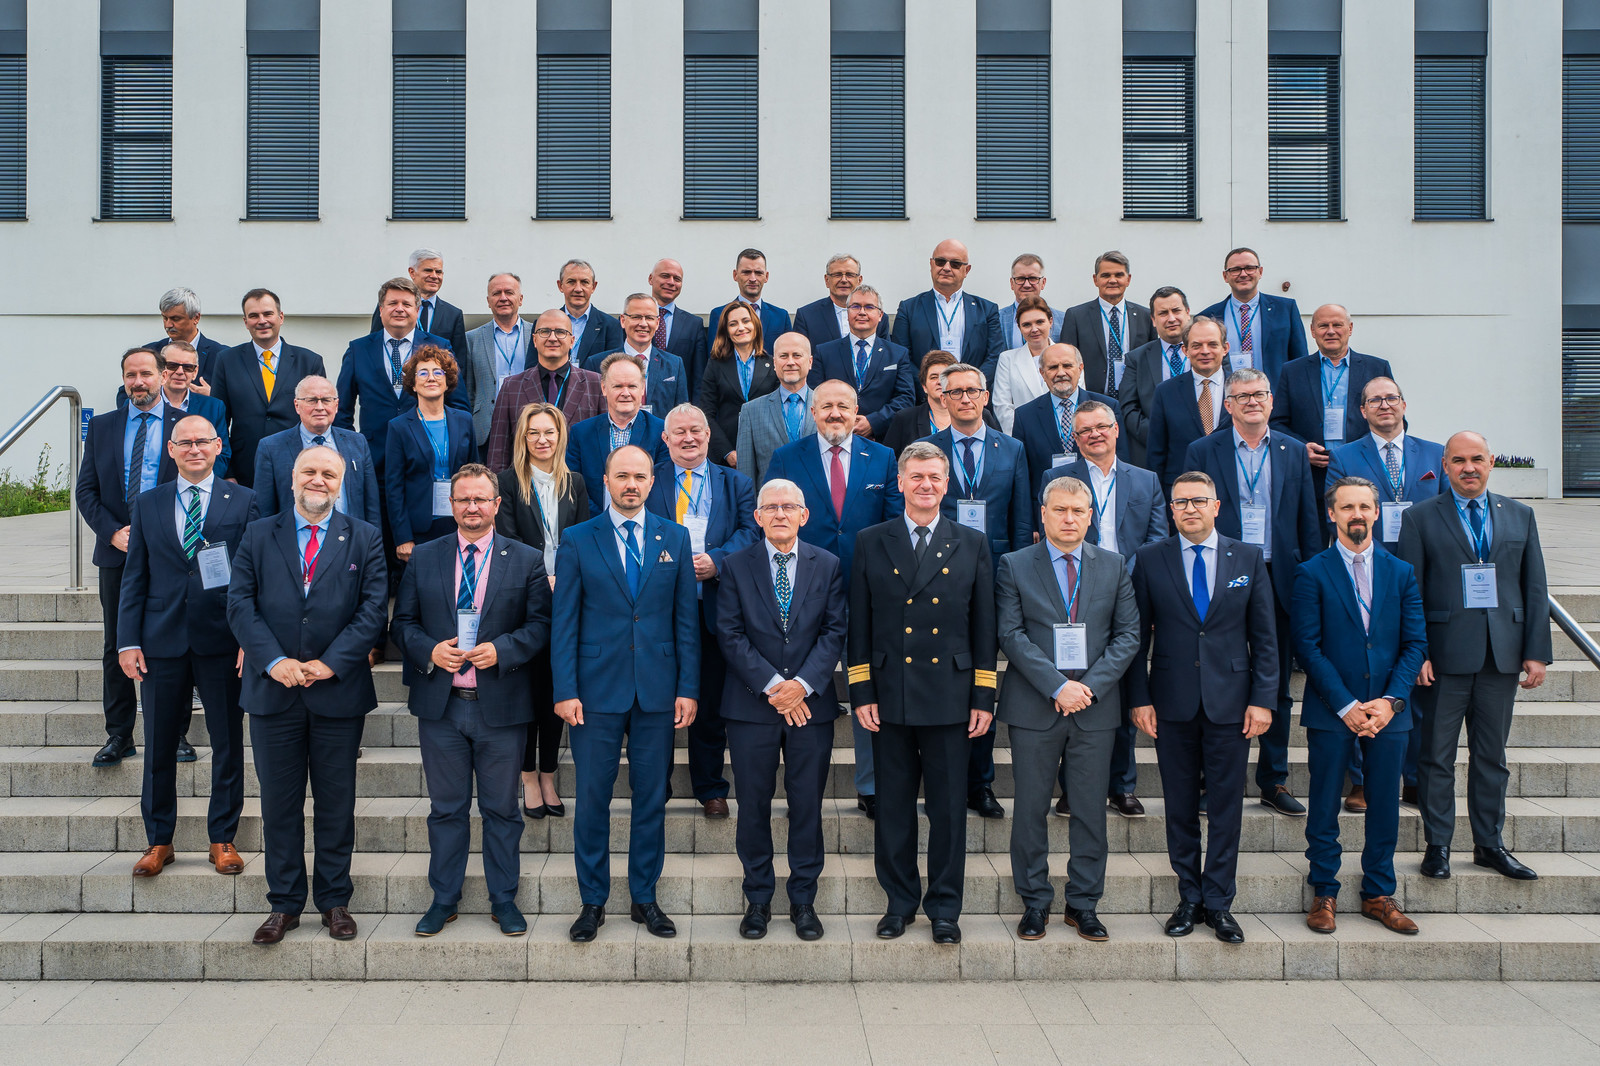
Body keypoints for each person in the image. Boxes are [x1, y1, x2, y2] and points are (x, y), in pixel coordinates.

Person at [227, 444, 388, 946]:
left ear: (341, 483)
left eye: (329, 474)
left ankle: (335, 901)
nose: (318, 480)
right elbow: (240, 604)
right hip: (273, 692)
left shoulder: (364, 537)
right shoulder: (258, 533)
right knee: (279, 805)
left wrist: (331, 662)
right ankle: (284, 904)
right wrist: (274, 661)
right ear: (292, 478)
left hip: (337, 693)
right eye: (309, 472)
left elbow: (372, 609)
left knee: (336, 804)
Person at [391, 463, 551, 938]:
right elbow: (402, 623)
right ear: (451, 504)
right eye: (463, 499)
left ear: (497, 504)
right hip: (441, 706)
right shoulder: (425, 557)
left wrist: (503, 650)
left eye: (481, 499)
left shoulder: (525, 559)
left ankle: (504, 899)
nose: (472, 507)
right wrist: (429, 651)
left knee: (502, 809)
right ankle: (444, 899)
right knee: (446, 809)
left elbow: (541, 626)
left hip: (500, 705)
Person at [848, 442, 997, 945]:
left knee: (949, 811)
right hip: (890, 695)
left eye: (934, 477)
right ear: (900, 482)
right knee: (893, 807)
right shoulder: (872, 540)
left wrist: (983, 697)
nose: (926, 485)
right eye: (916, 476)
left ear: (946, 483)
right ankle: (899, 903)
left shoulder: (972, 543)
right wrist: (862, 690)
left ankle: (945, 908)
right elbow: (859, 625)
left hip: (951, 696)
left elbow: (984, 629)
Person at [552, 445, 700, 943]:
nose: (631, 484)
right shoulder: (577, 539)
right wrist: (565, 689)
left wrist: (688, 687)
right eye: (622, 476)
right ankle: (592, 901)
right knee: (592, 799)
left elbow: (686, 621)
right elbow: (564, 622)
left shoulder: (674, 537)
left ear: (652, 482)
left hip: (658, 691)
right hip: (594, 692)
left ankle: (644, 897)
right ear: (606, 480)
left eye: (640, 476)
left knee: (651, 798)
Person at [1127, 471, 1278, 945]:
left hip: (1231, 703)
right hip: (1171, 702)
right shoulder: (1150, 559)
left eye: (1198, 500)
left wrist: (1263, 700)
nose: (1189, 508)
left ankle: (1219, 902)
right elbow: (1135, 638)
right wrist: (1139, 698)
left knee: (1227, 806)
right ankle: (1189, 897)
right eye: (1180, 502)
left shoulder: (1247, 557)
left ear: (1216, 506)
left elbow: (1266, 638)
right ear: (1170, 510)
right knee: (1179, 805)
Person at [1398, 431, 1551, 882]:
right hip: (1444, 658)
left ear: (1491, 462)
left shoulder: (1520, 515)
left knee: (1491, 757)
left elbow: (1535, 587)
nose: (1469, 468)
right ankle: (1438, 846)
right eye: (1459, 460)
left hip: (1501, 656)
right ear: (1445, 466)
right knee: (1436, 757)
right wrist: (1418, 652)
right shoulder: (1420, 517)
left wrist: (1536, 653)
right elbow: (1411, 592)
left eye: (1477, 459)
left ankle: (1489, 844)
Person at [997, 475, 1140, 942]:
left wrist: (1088, 689)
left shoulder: (1114, 565)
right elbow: (1011, 634)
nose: (1069, 518)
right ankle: (1034, 902)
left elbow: (1128, 636)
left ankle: (1083, 904)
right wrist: (1058, 686)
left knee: (1090, 811)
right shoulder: (1014, 564)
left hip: (1094, 711)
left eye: (1078, 511)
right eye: (1060, 510)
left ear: (1091, 516)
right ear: (1043, 514)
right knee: (1030, 809)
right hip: (1035, 707)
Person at [116, 415, 258, 877]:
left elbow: (255, 576)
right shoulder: (149, 503)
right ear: (172, 450)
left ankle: (223, 838)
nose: (195, 448)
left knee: (227, 742)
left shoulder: (245, 501)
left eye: (203, 441)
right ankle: (159, 840)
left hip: (223, 640)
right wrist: (127, 641)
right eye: (185, 442)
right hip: (161, 642)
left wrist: (251, 639)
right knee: (158, 745)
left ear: (218, 447)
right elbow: (134, 576)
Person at [1183, 367, 1320, 817]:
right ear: (1228, 405)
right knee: (1217, 684)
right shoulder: (1204, 450)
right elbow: (1192, 517)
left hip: (1280, 579)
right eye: (1242, 396)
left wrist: (1310, 581)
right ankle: (1214, 780)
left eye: (1259, 394)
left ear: (1271, 401)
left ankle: (1273, 780)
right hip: (1222, 577)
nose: (1252, 402)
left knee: (1274, 683)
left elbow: (1307, 520)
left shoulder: (1293, 450)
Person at [1294, 476, 1427, 936]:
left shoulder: (1401, 571)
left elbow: (1415, 643)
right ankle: (1324, 890)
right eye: (1347, 507)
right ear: (1331, 514)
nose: (1357, 515)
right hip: (1332, 709)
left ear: (1376, 512)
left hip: (1388, 713)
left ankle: (1378, 893)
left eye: (1364, 507)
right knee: (1324, 803)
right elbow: (1307, 647)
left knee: (1385, 804)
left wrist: (1390, 702)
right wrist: (1346, 704)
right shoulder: (1311, 572)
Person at [715, 478, 847, 941]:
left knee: (806, 804)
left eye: (789, 507)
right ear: (757, 517)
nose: (780, 514)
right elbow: (729, 633)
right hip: (752, 707)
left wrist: (802, 686)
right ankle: (757, 899)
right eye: (770, 507)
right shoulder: (735, 565)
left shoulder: (827, 564)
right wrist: (776, 687)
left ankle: (803, 901)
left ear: (804, 515)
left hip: (811, 708)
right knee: (753, 805)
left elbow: (834, 631)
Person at [765, 379, 904, 818]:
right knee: (802, 690)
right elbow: (774, 523)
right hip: (805, 597)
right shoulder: (787, 457)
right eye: (826, 406)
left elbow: (894, 525)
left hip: (868, 596)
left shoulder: (881, 457)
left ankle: (871, 786)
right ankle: (800, 791)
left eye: (843, 405)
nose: (835, 413)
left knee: (866, 689)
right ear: (813, 411)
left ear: (856, 411)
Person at [1327, 378, 1445, 807]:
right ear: (1362, 410)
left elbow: (1445, 517)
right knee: (1364, 674)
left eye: (1391, 397)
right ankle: (1361, 779)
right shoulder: (1344, 456)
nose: (1384, 405)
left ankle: (1412, 776)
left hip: (1421, 577)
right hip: (1366, 573)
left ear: (1404, 404)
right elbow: (1339, 516)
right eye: (1374, 399)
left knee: (1415, 677)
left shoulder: (1434, 454)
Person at [922, 363, 1030, 818]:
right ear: (942, 398)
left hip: (997, 574)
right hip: (940, 577)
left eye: (973, 391)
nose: (965, 398)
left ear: (986, 397)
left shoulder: (1013, 448)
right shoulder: (928, 450)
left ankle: (980, 783)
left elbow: (1021, 519)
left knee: (984, 673)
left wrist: (1020, 575)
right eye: (955, 392)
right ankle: (940, 779)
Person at [645, 405, 759, 817]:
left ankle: (710, 787)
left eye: (696, 430)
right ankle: (654, 787)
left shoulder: (736, 482)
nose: (689, 438)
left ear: (709, 435)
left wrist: (718, 560)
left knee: (709, 702)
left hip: (714, 607)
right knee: (657, 701)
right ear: (665, 438)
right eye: (679, 432)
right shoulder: (650, 479)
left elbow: (751, 531)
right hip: (660, 609)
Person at [1057, 401, 1167, 816]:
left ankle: (1122, 785)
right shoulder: (1057, 479)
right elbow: (1055, 536)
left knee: (1122, 689)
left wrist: (1120, 578)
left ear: (1116, 429)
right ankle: (1073, 787)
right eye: (1085, 430)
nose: (1094, 435)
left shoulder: (1145, 480)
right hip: (1073, 595)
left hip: (1130, 596)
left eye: (1101, 427)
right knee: (1073, 686)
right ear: (1076, 438)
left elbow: (1155, 541)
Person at [78, 348, 182, 766]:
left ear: (163, 376)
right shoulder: (103, 426)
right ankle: (119, 733)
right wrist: (112, 532)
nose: (138, 382)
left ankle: (174, 734)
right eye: (130, 375)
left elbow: (194, 487)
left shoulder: (184, 425)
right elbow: (86, 490)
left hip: (170, 553)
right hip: (117, 552)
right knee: (116, 643)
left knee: (170, 644)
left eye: (146, 373)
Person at [495, 402, 590, 818]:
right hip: (522, 598)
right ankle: (527, 775)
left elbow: (583, 538)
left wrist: (563, 579)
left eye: (549, 431)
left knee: (555, 688)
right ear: (523, 437)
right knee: (527, 692)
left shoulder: (575, 483)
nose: (542, 439)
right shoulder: (507, 482)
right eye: (533, 432)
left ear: (560, 436)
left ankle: (548, 773)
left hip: (565, 597)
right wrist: (541, 579)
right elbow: (508, 541)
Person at [1271, 304, 1395, 535]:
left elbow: (1394, 421)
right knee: (1314, 545)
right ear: (1312, 331)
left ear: (1350, 328)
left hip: (1363, 472)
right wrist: (1301, 448)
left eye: (1337, 325)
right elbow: (1276, 422)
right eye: (1323, 326)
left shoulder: (1376, 368)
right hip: (1313, 476)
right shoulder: (1292, 371)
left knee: (1363, 542)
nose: (1330, 331)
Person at [335, 277, 465, 478]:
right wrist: (353, 451)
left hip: (426, 460)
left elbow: (458, 405)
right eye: (393, 303)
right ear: (381, 310)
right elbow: (341, 410)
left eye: (406, 304)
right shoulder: (358, 349)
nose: (399, 309)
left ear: (417, 310)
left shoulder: (440, 347)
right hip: (373, 460)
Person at [211, 288, 326, 489]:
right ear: (245, 322)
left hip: (299, 466)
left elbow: (320, 418)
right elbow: (218, 422)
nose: (262, 321)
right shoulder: (226, 361)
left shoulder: (309, 361)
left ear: (281, 317)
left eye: (268, 314)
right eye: (254, 316)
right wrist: (227, 471)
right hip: (244, 470)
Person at [386, 346, 480, 564]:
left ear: (447, 382)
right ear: (413, 383)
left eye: (438, 372)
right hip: (419, 529)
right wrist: (403, 537)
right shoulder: (399, 427)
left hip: (461, 522)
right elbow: (394, 488)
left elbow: (476, 473)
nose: (431, 378)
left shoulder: (464, 420)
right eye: (423, 373)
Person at [484, 308, 605, 470]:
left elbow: (603, 444)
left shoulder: (595, 383)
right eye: (545, 332)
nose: (552, 338)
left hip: (579, 482)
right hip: (525, 482)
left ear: (572, 341)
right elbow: (498, 452)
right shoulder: (511, 386)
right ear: (534, 340)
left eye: (560, 332)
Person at [253, 376, 381, 527]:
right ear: (297, 405)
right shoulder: (271, 447)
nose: (320, 407)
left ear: (336, 405)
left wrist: (374, 539)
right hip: (295, 538)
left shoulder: (357, 442)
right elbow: (264, 511)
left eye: (326, 400)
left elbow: (372, 506)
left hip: (351, 537)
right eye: (312, 400)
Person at [1009, 344, 1119, 518]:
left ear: (1080, 368)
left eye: (1067, 365)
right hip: (1048, 513)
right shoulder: (1025, 416)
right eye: (1053, 367)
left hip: (1100, 508)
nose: (1061, 373)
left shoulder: (1108, 407)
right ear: (1042, 373)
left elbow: (1120, 459)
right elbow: (1022, 476)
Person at [890, 239, 1005, 385]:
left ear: (966, 270)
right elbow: (902, 356)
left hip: (972, 395)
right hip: (924, 395)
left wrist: (971, 386)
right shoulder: (908, 309)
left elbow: (994, 356)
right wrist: (929, 387)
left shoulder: (987, 310)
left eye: (955, 264)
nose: (946, 268)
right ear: (931, 264)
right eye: (940, 262)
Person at [565, 353, 670, 514]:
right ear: (604, 388)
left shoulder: (661, 432)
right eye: (618, 386)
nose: (625, 393)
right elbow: (574, 487)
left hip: (643, 522)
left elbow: (660, 487)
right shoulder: (581, 433)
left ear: (642, 388)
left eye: (632, 386)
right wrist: (604, 519)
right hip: (594, 522)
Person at [808, 284, 914, 439]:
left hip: (883, 439)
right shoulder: (824, 352)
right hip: (835, 436)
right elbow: (815, 395)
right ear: (847, 313)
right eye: (855, 306)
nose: (862, 312)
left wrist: (874, 422)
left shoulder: (898, 354)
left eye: (869, 307)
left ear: (880, 315)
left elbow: (906, 398)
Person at [1146, 315, 1232, 502]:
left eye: (1212, 344)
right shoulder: (1166, 392)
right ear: (1185, 350)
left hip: (1231, 494)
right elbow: (1156, 454)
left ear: (1225, 348)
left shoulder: (1241, 390)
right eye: (1196, 345)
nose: (1205, 351)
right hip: (1182, 499)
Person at [1199, 246, 1309, 386]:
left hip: (1275, 395)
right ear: (1225, 276)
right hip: (1227, 395)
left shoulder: (1286, 309)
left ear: (1260, 272)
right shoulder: (1209, 316)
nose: (1243, 274)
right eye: (1235, 269)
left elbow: (1300, 360)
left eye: (1249, 268)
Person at [1059, 251, 1154, 402]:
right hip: (1091, 402)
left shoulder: (1146, 316)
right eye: (1105, 275)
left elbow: (1152, 361)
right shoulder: (1076, 316)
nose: (1112, 280)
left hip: (1135, 401)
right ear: (1095, 279)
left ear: (1128, 279)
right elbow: (1066, 361)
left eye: (1119, 275)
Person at [1119, 286, 1192, 468]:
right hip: (1156, 453)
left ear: (1188, 313)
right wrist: (1160, 434)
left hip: (1201, 447)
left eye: (1176, 311)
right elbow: (1129, 408)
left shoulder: (1207, 353)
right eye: (1163, 313)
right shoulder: (1136, 359)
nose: (1171, 318)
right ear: (1153, 320)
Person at [582, 293, 690, 414]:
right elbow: (588, 411)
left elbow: (681, 413)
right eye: (636, 317)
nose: (643, 324)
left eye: (649, 318)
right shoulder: (596, 364)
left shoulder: (674, 364)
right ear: (623, 320)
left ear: (657, 323)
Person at [698, 301, 775, 466]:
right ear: (726, 331)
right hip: (727, 454)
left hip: (765, 452)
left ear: (755, 325)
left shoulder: (772, 364)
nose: (741, 328)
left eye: (746, 321)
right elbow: (706, 413)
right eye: (733, 324)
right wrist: (726, 452)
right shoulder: (715, 364)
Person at [882, 350, 1001, 457]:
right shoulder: (905, 418)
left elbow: (998, 450)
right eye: (933, 377)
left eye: (945, 377)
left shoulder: (981, 414)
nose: (940, 382)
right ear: (924, 386)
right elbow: (889, 462)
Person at [735, 332, 816, 486]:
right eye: (783, 356)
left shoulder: (827, 408)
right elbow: (745, 474)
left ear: (810, 362)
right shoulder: (751, 411)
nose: (790, 362)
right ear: (774, 362)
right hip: (771, 500)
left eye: (797, 355)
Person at [461, 272, 532, 447]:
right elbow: (469, 390)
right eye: (496, 293)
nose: (503, 298)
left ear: (520, 299)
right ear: (488, 301)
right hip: (487, 428)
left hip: (529, 424)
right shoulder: (471, 338)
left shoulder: (536, 335)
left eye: (509, 292)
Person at [148, 342, 232, 479]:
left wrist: (196, 483)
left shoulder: (213, 407)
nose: (180, 372)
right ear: (162, 369)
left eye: (187, 367)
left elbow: (222, 454)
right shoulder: (146, 405)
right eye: (172, 365)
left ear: (195, 372)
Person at [367, 248, 469, 359]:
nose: (434, 276)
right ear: (412, 272)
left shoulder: (453, 314)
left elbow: (459, 360)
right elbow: (374, 345)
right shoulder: (391, 309)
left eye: (438, 272)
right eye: (428, 270)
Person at [791, 253, 889, 347]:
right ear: (827, 280)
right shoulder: (807, 316)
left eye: (850, 275)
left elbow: (886, 353)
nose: (844, 280)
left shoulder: (877, 317)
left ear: (859, 280)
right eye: (837, 275)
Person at [990, 296, 1056, 433]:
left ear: (1050, 321)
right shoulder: (1007, 359)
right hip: (1023, 436)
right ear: (1019, 327)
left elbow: (1076, 400)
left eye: (1040, 322)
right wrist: (1024, 436)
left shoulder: (1069, 356)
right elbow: (1002, 406)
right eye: (1027, 325)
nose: (1034, 329)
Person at [646, 258, 710, 397]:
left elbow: (699, 377)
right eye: (665, 276)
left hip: (679, 403)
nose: (671, 282)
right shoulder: (635, 321)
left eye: (677, 279)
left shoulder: (694, 324)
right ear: (651, 279)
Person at [143, 287, 228, 388]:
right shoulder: (148, 353)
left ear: (196, 318)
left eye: (176, 319)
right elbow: (129, 392)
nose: (168, 325)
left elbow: (236, 395)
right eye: (165, 318)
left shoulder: (222, 356)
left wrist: (211, 395)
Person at [708, 247, 792, 344]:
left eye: (758, 273)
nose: (753, 279)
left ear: (766, 276)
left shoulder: (781, 317)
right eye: (746, 272)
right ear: (735, 275)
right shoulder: (720, 315)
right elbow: (715, 352)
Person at [559, 259, 624, 368]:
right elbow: (532, 369)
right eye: (571, 282)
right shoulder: (545, 324)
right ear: (560, 286)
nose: (578, 289)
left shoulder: (612, 326)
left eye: (584, 282)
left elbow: (615, 369)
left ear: (593, 286)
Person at [998, 254, 1063, 350]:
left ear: (1043, 283)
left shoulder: (1063, 320)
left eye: (1033, 279)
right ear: (1012, 283)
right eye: (1020, 279)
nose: (1027, 285)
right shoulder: (997, 319)